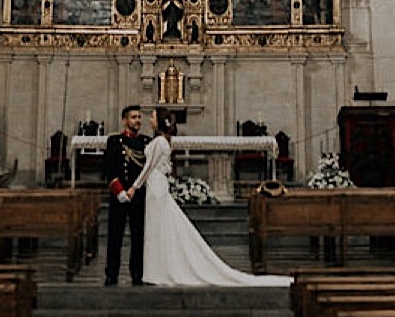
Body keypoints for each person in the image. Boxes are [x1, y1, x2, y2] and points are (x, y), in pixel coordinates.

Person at [124, 108, 291, 288]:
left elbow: (148, 167)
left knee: (158, 229)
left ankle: (158, 270)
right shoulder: (164, 141)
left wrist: (134, 187)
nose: (150, 120)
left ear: (159, 121)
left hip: (155, 187)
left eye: (153, 117)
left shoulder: (158, 142)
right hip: (156, 186)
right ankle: (157, 269)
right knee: (158, 229)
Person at [103, 103, 148, 286]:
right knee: (115, 236)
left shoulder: (146, 142)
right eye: (133, 117)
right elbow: (109, 169)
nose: (137, 120)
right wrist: (119, 191)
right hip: (119, 195)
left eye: (139, 117)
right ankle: (112, 272)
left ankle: (137, 273)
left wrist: (134, 190)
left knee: (138, 237)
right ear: (124, 120)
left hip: (138, 195)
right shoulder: (114, 141)